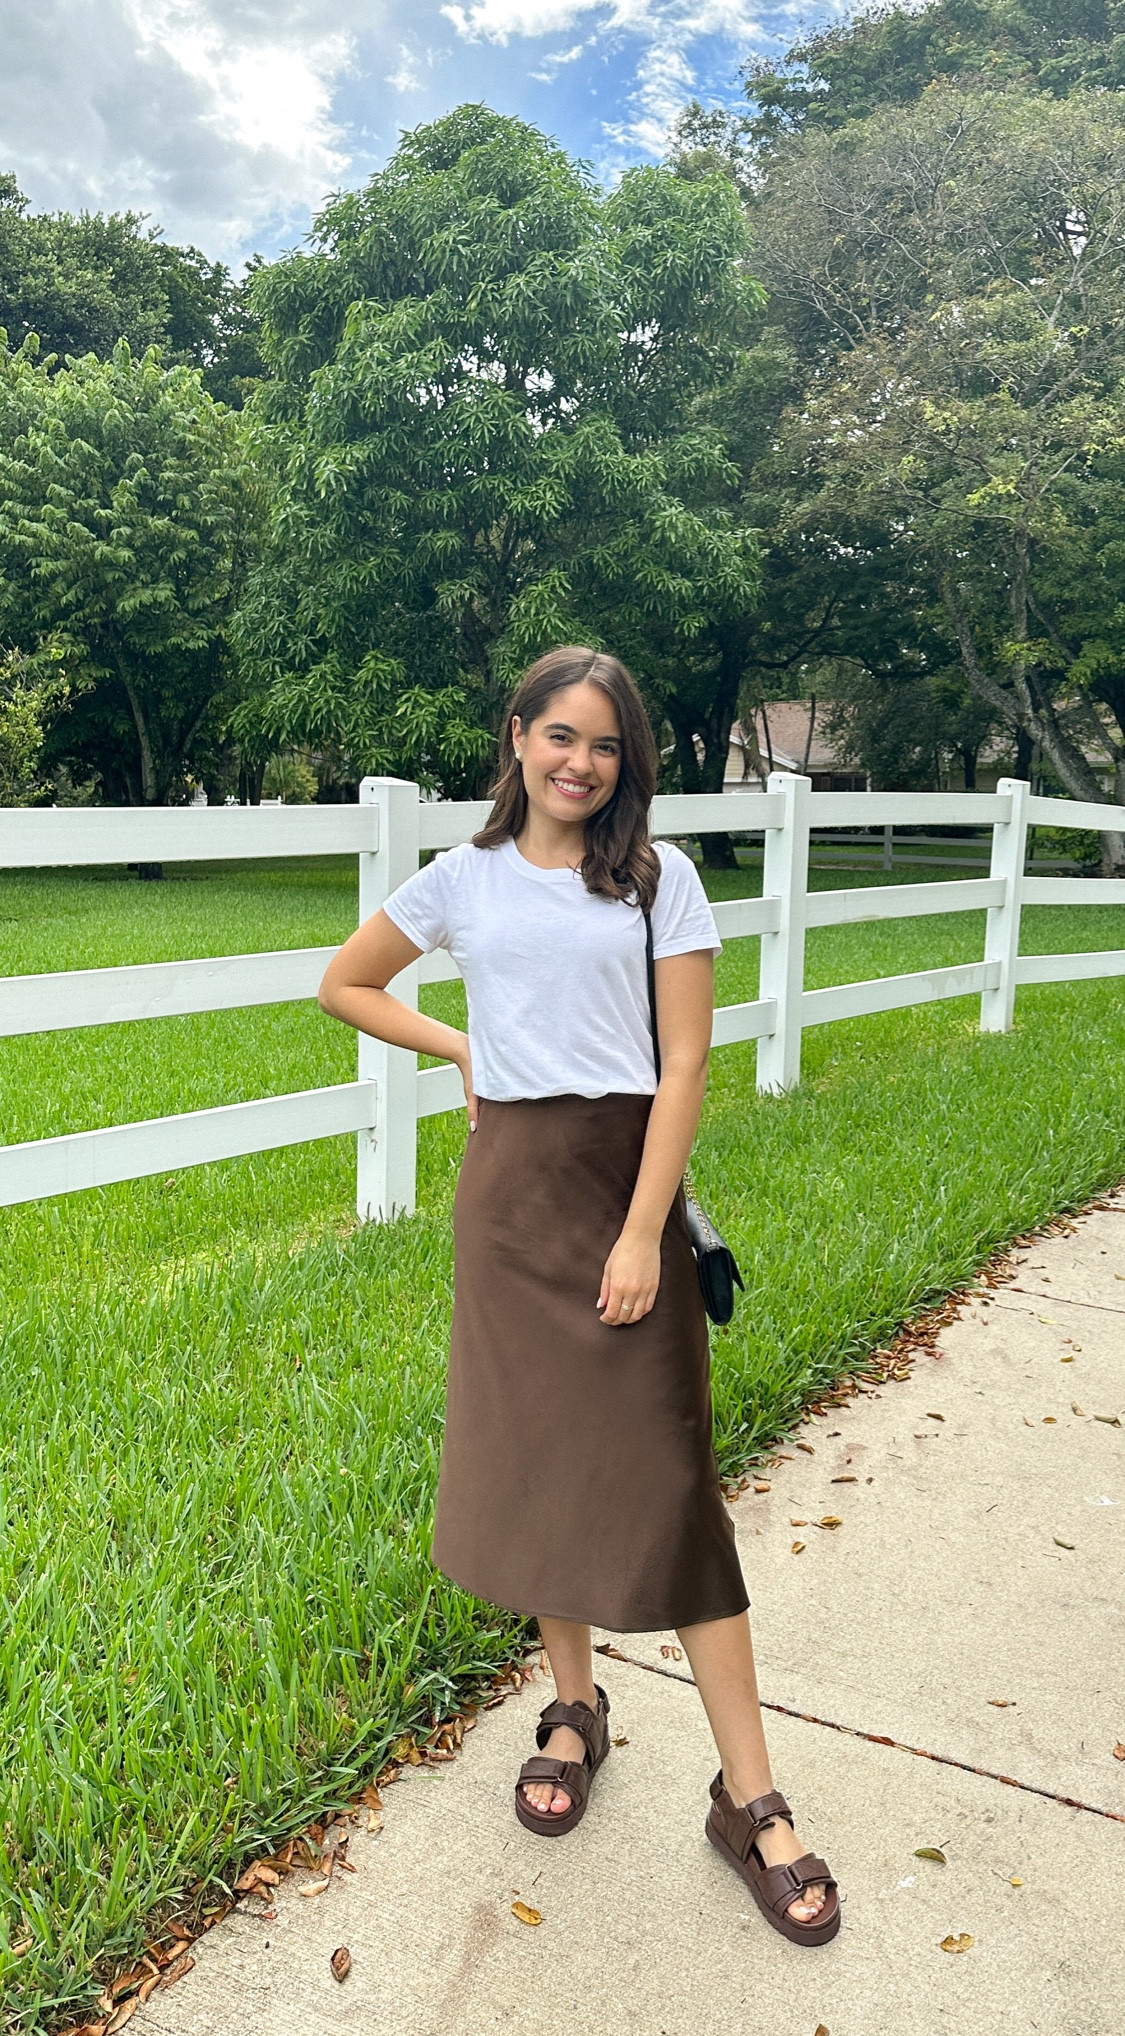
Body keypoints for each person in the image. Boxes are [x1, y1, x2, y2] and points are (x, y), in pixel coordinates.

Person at [318, 645, 840, 1944]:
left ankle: (753, 1796)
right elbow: (344, 983)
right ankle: (574, 1708)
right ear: (517, 737)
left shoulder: (659, 883)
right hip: (510, 1209)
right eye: (558, 735)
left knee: (673, 1493)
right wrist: (463, 1047)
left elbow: (685, 1065)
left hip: (622, 1198)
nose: (578, 761)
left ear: (628, 760)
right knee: (544, 1463)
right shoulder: (466, 880)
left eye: (603, 743)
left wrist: (644, 1233)